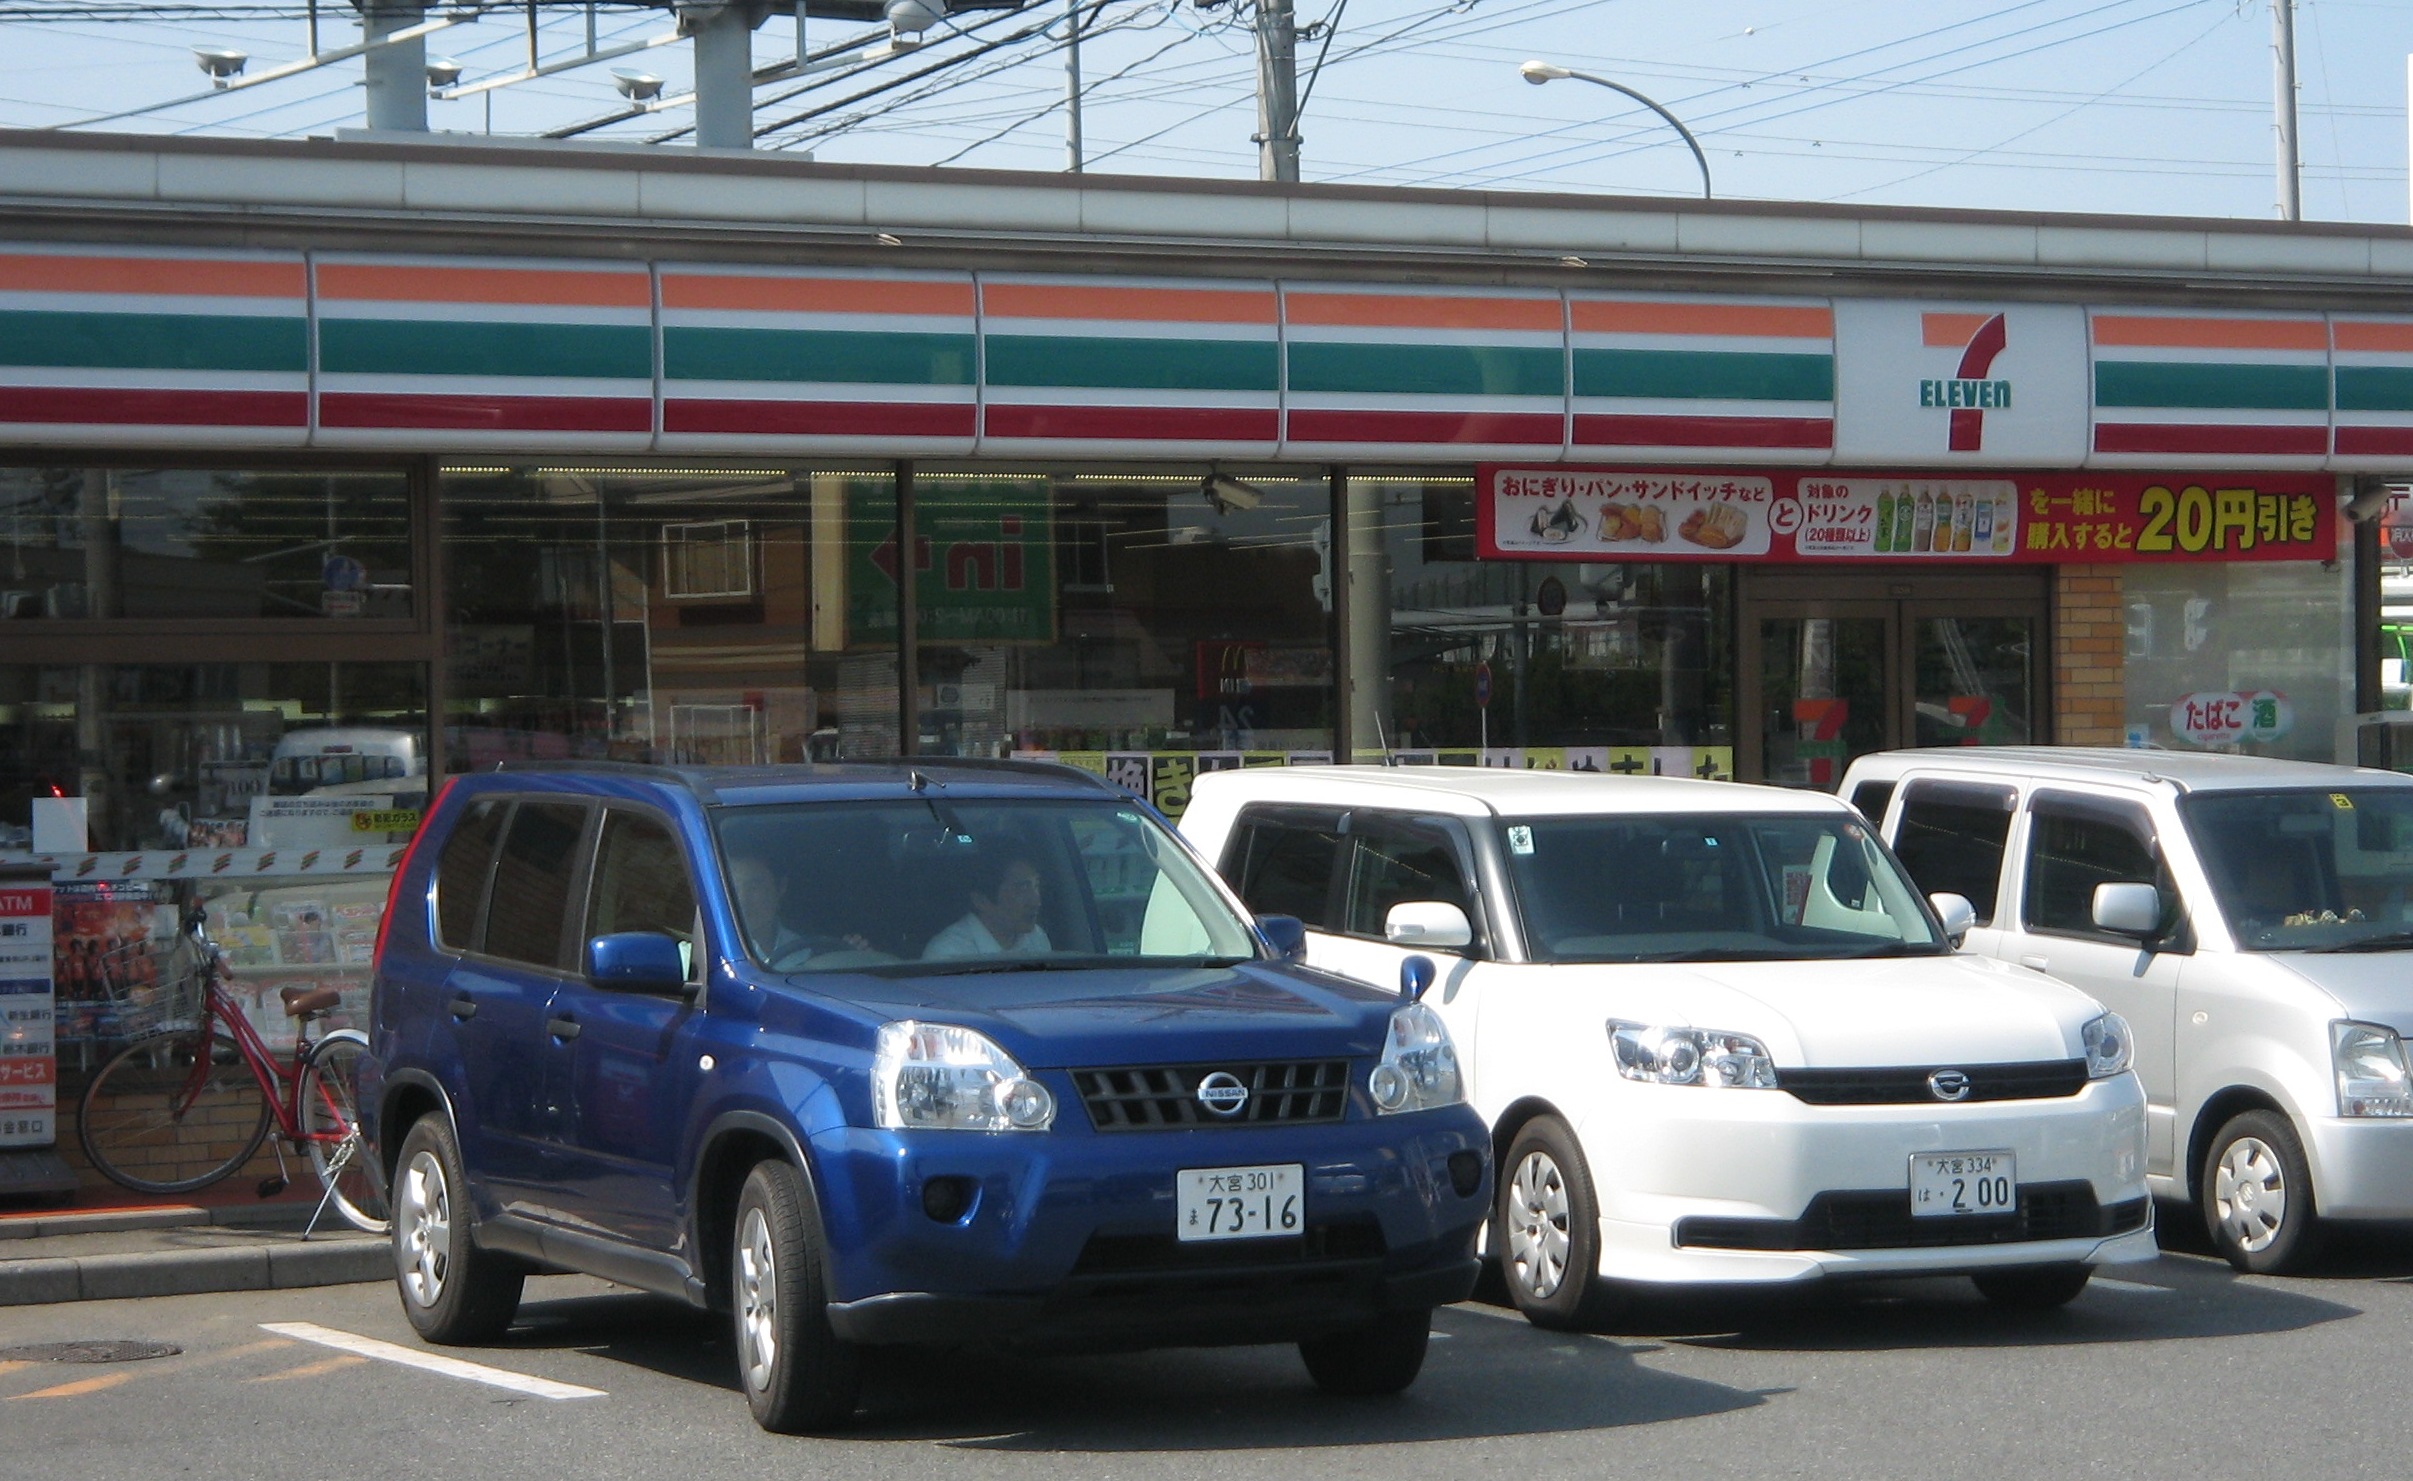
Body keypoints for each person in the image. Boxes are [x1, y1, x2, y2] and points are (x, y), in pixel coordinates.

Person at [730, 854, 868, 969]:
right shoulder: (715, 955)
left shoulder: (812, 950)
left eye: (754, 887)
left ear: (781, 887)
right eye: (734, 886)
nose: (742, 899)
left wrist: (855, 959)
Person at [925, 854, 1052, 959]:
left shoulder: (1037, 939)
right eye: (1022, 889)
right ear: (980, 901)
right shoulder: (948, 954)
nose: (1036, 902)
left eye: (1036, 886)